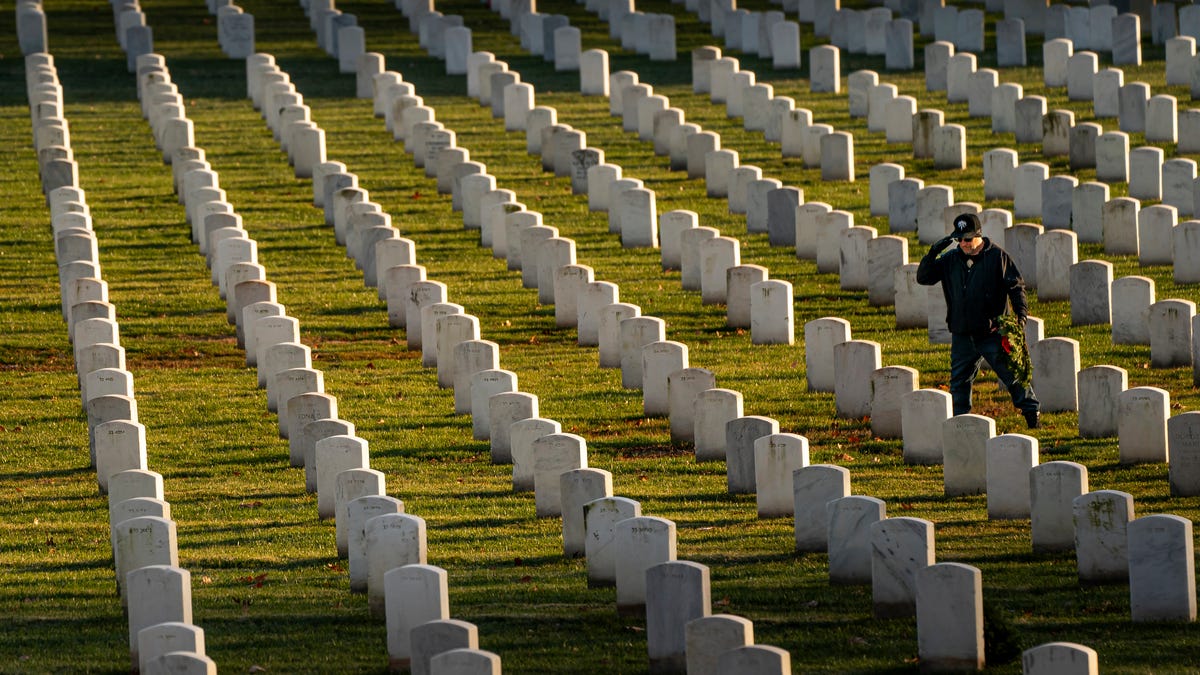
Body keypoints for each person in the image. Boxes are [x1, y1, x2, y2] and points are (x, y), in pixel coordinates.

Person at [916, 213, 1041, 429]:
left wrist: (1020, 317)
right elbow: (923, 277)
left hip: (992, 332)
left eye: (967, 238)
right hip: (962, 333)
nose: (963, 243)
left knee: (1012, 376)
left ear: (978, 236)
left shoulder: (997, 257)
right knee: (959, 383)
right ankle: (961, 424)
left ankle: (1032, 415)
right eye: (959, 239)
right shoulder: (950, 260)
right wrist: (933, 253)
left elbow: (1016, 287)